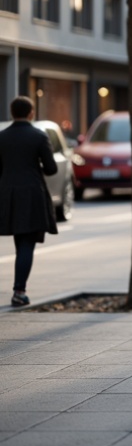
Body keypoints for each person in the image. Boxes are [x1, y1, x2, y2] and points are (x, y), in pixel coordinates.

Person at [0, 96, 58, 307]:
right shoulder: (38, 136)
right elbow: (51, 168)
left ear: (11, 113)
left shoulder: (2, 137)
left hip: (8, 194)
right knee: (27, 244)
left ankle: (19, 289)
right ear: (31, 113)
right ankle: (19, 291)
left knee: (19, 240)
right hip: (32, 194)